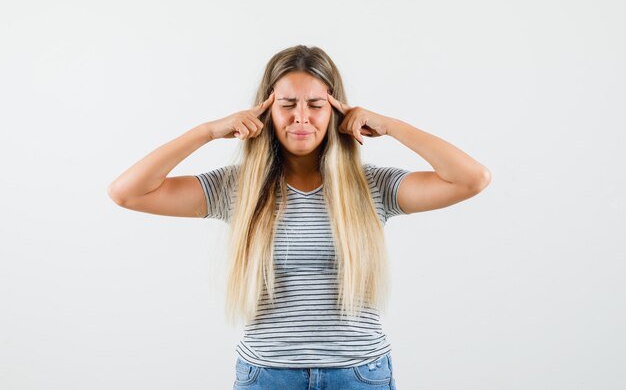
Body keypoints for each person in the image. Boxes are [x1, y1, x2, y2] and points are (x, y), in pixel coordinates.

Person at [107, 44, 491, 390]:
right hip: (267, 375)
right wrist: (208, 131)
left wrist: (389, 126)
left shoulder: (371, 185)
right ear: (266, 111)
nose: (301, 118)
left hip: (359, 375)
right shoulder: (238, 188)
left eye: (316, 105)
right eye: (288, 105)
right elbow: (127, 192)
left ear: (337, 110)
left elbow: (472, 179)